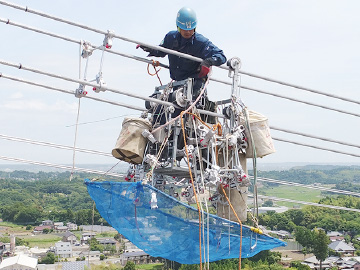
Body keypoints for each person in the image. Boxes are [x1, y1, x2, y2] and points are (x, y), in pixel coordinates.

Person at [139, 7, 227, 101]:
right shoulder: (171, 38)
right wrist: (150, 49)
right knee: (169, 109)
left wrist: (208, 62)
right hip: (178, 84)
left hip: (195, 84)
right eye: (185, 29)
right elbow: (161, 50)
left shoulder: (201, 43)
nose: (188, 32)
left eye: (191, 29)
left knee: (193, 109)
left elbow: (221, 56)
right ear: (178, 27)